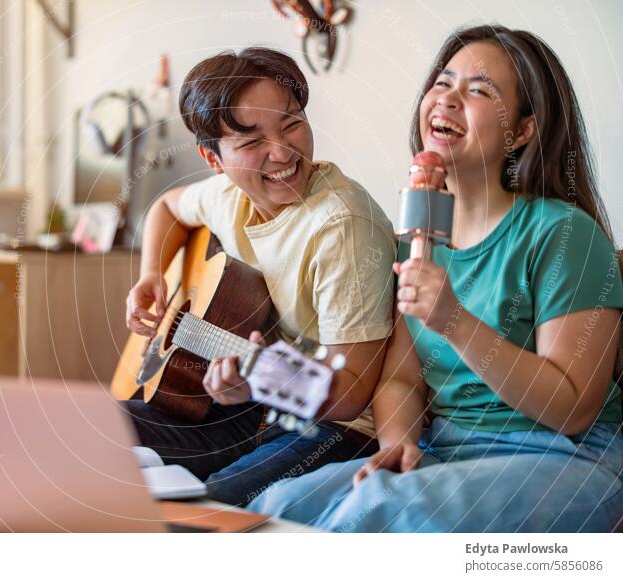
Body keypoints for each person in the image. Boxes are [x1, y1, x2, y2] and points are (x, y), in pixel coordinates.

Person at [248, 25, 623, 531]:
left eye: (479, 90)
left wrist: (453, 321)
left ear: (525, 130)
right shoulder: (423, 237)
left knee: (378, 515)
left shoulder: (563, 234)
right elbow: (402, 377)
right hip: (445, 448)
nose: (447, 99)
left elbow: (574, 408)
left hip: (561, 458)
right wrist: (398, 442)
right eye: (443, 83)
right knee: (276, 507)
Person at [124, 47, 397, 506]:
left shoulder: (343, 227)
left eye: (292, 123)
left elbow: (351, 394)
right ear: (215, 161)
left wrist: (256, 382)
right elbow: (167, 208)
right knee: (90, 431)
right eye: (252, 143)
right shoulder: (229, 196)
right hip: (250, 407)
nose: (282, 151)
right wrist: (150, 274)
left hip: (335, 429)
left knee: (208, 505)